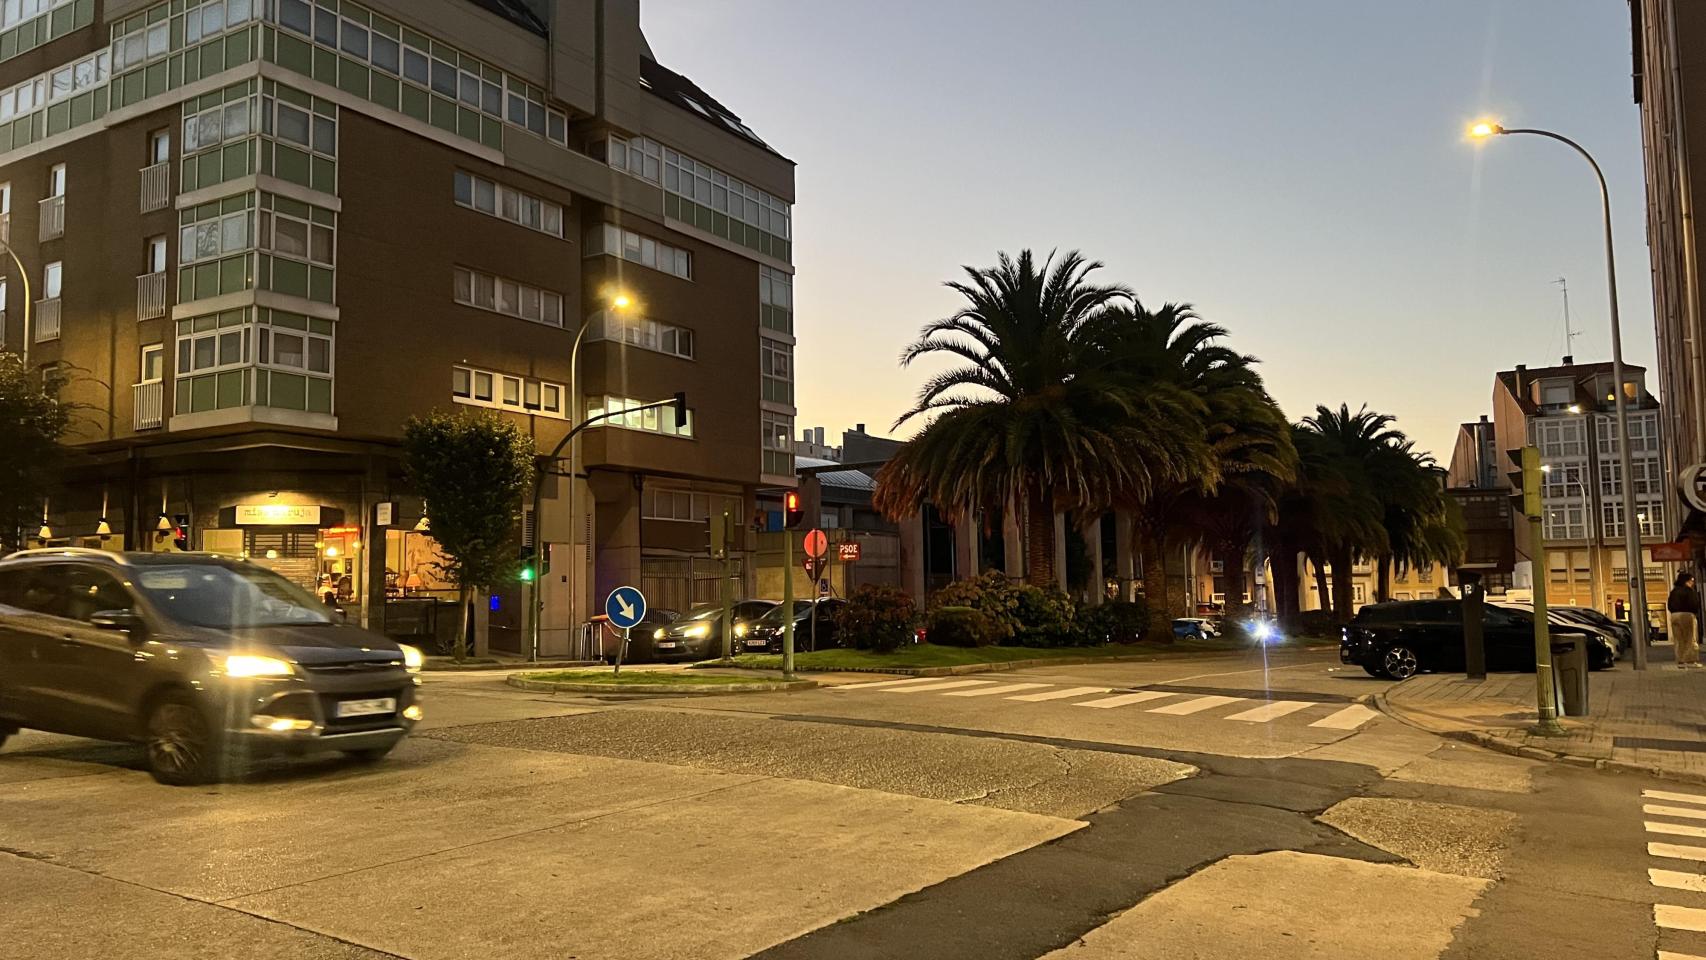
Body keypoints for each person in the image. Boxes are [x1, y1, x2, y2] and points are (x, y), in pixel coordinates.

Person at [1667, 571, 1702, 669]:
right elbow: (1694, 603)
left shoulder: (1674, 591)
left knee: (1678, 639)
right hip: (1687, 615)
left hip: (1674, 616)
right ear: (1686, 581)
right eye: (1691, 580)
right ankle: (1690, 660)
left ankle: (1681, 661)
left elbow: (1669, 605)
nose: (1692, 582)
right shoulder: (1689, 591)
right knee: (1690, 638)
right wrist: (1695, 612)